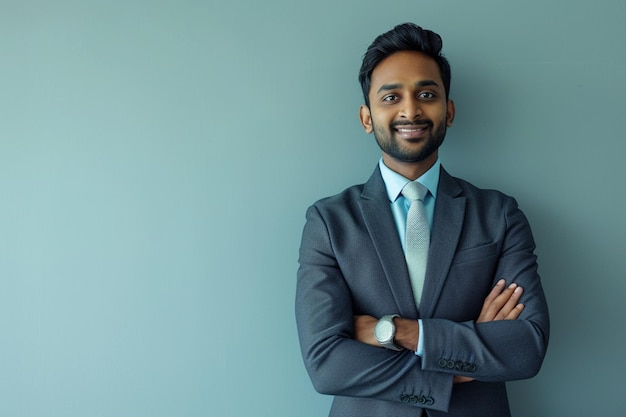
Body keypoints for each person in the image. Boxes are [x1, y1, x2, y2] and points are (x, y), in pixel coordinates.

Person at [295, 23, 549, 417]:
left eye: (426, 94)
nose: (410, 110)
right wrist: (455, 369)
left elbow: (526, 347)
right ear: (367, 117)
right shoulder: (329, 222)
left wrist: (395, 332)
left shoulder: (498, 214)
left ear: (448, 111)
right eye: (391, 96)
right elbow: (326, 364)